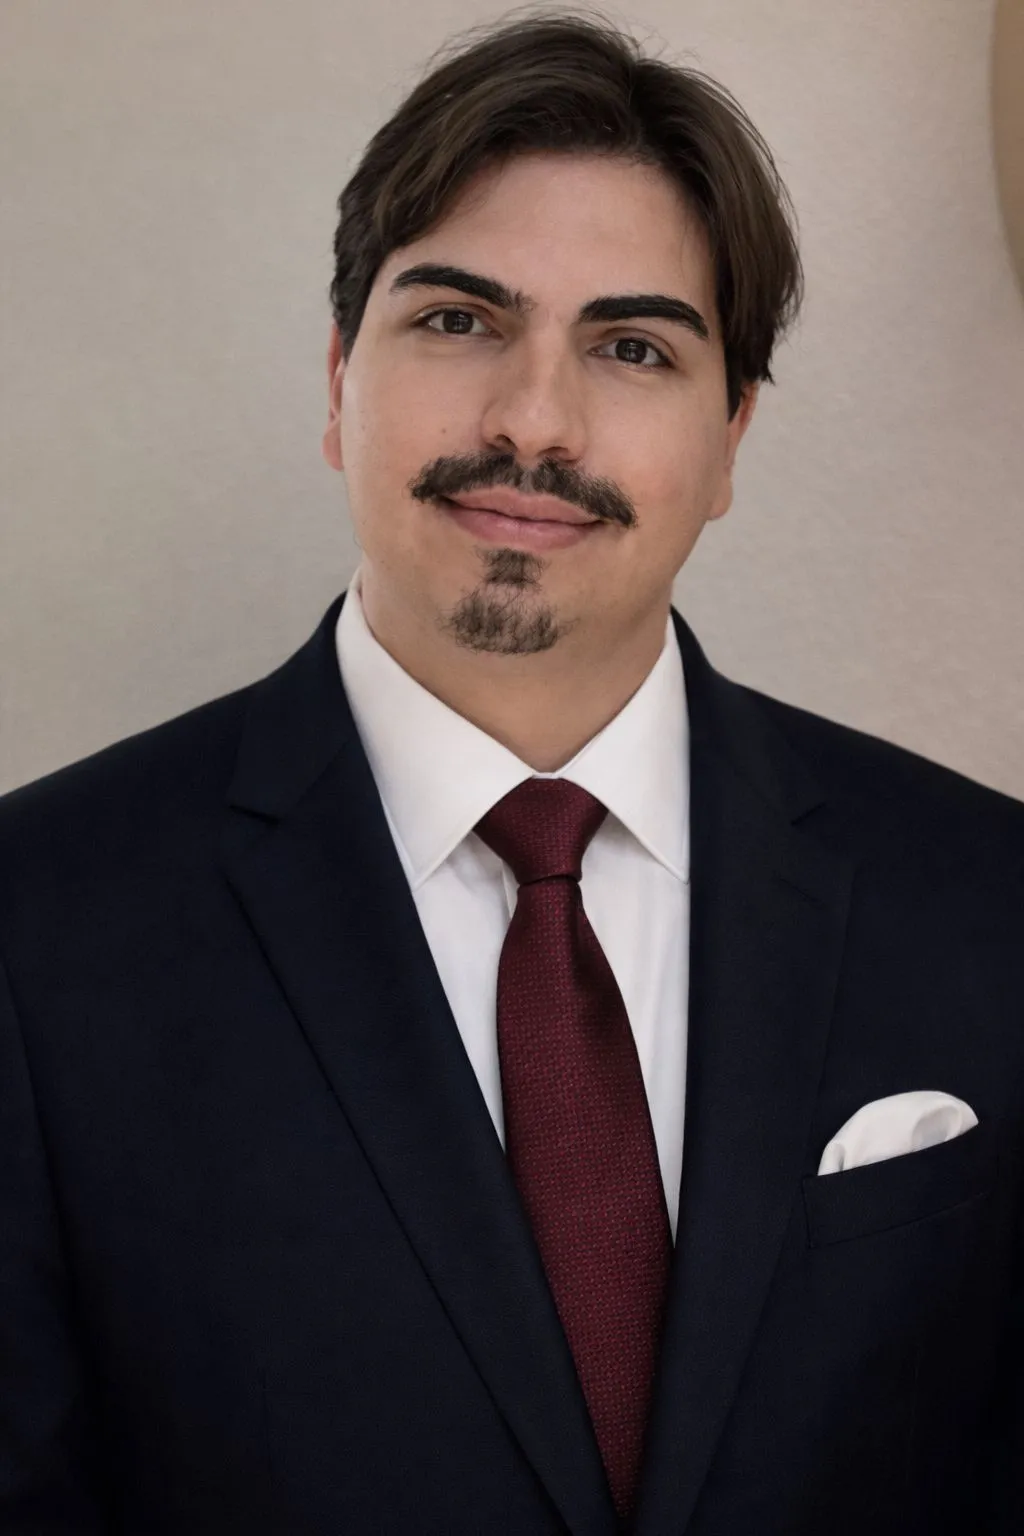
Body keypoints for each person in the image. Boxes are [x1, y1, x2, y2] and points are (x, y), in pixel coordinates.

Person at [1, 10, 1022, 1534]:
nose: (533, 422)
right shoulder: (38, 926)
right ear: (342, 378)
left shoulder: (989, 899)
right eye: (460, 320)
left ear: (731, 435)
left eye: (631, 346)